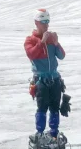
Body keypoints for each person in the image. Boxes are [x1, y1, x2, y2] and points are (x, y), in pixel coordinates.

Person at [24, 9, 66, 140]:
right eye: (43, 22)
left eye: (47, 22)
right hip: (41, 79)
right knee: (42, 107)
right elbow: (31, 54)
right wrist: (41, 42)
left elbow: (61, 56)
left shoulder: (51, 39)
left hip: (54, 78)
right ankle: (40, 133)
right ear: (36, 23)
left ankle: (54, 132)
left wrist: (56, 43)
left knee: (54, 107)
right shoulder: (30, 40)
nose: (46, 25)